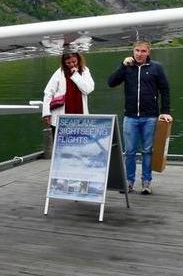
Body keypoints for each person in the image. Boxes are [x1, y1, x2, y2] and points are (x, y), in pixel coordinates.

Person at [107, 40, 172, 195]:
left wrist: (165, 111)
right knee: (129, 151)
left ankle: (146, 182)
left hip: (150, 116)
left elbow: (165, 90)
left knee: (148, 151)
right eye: (137, 50)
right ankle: (129, 182)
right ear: (133, 51)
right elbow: (111, 82)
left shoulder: (156, 68)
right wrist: (122, 66)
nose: (140, 54)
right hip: (130, 117)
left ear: (148, 52)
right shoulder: (127, 67)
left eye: (143, 51)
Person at [42, 52, 95, 134]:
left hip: (80, 114)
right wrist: (46, 113)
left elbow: (88, 89)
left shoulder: (84, 71)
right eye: (68, 63)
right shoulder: (59, 72)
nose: (72, 65)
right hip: (60, 115)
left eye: (74, 62)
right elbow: (48, 92)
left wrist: (76, 75)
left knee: (80, 141)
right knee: (60, 144)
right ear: (64, 63)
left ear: (78, 60)